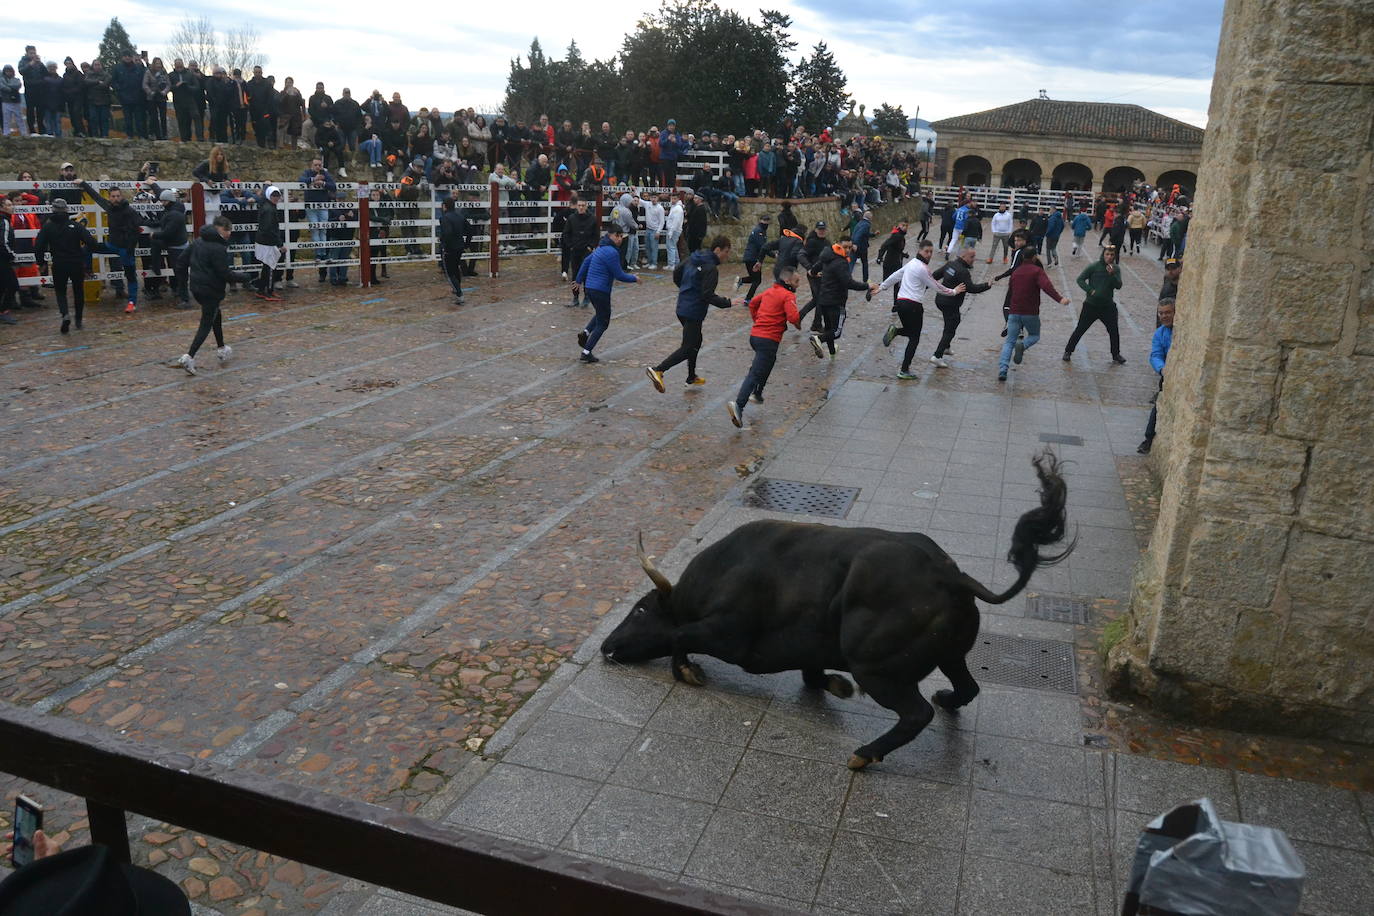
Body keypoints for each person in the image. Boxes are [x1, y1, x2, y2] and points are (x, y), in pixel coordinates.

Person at [646, 235, 743, 392]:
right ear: (717, 250)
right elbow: (707, 295)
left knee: (696, 341)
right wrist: (729, 302)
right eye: (726, 251)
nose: (728, 255)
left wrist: (686, 289)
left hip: (683, 306)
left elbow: (677, 272)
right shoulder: (711, 268)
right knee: (688, 347)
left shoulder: (695, 257)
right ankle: (659, 370)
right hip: (693, 311)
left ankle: (691, 377)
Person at [173, 215, 253, 375]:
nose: (229, 233)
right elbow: (225, 273)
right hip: (210, 289)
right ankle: (189, 356)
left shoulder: (197, 242)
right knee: (206, 323)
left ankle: (222, 348)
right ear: (218, 229)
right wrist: (245, 277)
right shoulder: (218, 248)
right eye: (226, 230)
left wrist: (182, 286)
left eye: (230, 230)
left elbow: (181, 262)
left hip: (197, 288)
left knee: (216, 315)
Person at [876, 238, 963, 379]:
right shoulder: (923, 268)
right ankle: (904, 370)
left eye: (931, 252)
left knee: (911, 332)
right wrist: (953, 291)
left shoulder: (911, 263)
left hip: (900, 303)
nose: (929, 254)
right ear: (919, 251)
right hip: (913, 305)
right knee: (914, 338)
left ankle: (896, 331)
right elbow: (936, 286)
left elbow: (896, 275)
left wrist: (882, 287)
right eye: (926, 251)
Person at [728, 265, 802, 428]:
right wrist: (798, 323)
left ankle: (758, 393)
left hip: (755, 336)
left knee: (768, 362)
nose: (798, 285)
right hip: (769, 339)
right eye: (796, 281)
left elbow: (753, 303)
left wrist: (758, 321)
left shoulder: (770, 291)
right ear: (787, 281)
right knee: (755, 373)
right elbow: (793, 316)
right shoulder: (788, 295)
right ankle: (739, 406)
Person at [1000, 251, 1070, 381]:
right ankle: (1023, 345)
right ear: (1034, 257)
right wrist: (1060, 299)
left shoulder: (1016, 272)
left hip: (1014, 311)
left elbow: (1011, 290)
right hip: (1030, 312)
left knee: (1009, 341)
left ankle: (1003, 370)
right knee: (1034, 335)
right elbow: (1046, 286)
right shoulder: (1037, 271)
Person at [573, 226, 638, 363]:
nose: (620, 239)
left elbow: (586, 262)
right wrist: (634, 278)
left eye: (621, 236)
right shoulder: (611, 252)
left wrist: (578, 280)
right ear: (610, 236)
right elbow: (619, 275)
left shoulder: (600, 248)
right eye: (617, 236)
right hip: (600, 290)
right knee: (603, 323)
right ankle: (586, 352)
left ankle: (585, 333)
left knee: (600, 313)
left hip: (590, 287)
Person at [33, 198, 97, 334]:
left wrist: (41, 263)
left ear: (53, 210)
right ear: (67, 210)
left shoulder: (48, 227)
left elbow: (38, 246)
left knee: (60, 291)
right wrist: (85, 256)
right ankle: (78, 319)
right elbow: (91, 242)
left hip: (59, 263)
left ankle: (65, 314)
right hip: (76, 262)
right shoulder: (76, 226)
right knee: (78, 290)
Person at [809, 239, 876, 359]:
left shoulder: (827, 255)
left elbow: (814, 269)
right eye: (845, 247)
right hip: (836, 302)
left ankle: (832, 351)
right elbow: (848, 283)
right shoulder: (841, 262)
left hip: (823, 300)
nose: (848, 250)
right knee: (836, 332)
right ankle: (818, 338)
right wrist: (867, 285)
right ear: (838, 245)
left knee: (829, 328)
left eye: (850, 248)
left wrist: (813, 273)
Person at [929, 243, 992, 367]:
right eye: (972, 257)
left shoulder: (950, 265)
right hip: (950, 303)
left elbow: (934, 275)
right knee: (950, 329)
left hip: (940, 300)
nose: (974, 259)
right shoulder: (963, 272)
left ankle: (946, 347)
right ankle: (937, 355)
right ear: (963, 256)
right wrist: (987, 285)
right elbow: (972, 288)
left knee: (952, 322)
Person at [1064, 243, 1126, 364]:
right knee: (1080, 329)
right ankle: (1068, 351)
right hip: (1091, 305)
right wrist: (1090, 290)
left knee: (1114, 331)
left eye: (1112, 255)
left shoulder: (1116, 269)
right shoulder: (1094, 266)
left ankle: (1116, 354)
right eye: (1107, 254)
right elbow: (1080, 279)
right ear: (1103, 255)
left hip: (1107, 306)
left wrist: (1112, 275)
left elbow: (1118, 286)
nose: (1109, 257)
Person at [1138, 299, 1174, 454]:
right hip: (1167, 373)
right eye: (1161, 313)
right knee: (1158, 405)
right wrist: (1162, 369)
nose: (1164, 316)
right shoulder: (1160, 333)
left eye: (1168, 312)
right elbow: (1155, 355)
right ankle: (1148, 439)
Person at [147, 188, 190, 307]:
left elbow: (168, 232)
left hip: (177, 247)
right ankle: (156, 266)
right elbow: (162, 223)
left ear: (169, 201)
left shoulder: (173, 215)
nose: (162, 203)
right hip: (175, 244)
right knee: (180, 273)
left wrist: (154, 234)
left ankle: (185, 299)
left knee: (180, 274)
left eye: (164, 201)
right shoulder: (174, 211)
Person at [560, 198, 597, 305]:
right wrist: (570, 245)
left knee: (587, 274)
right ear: (576, 206)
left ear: (586, 206)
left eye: (583, 205)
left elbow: (596, 235)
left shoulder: (592, 219)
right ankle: (575, 297)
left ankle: (586, 296)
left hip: (587, 250)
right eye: (579, 205)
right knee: (575, 274)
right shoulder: (571, 218)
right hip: (575, 249)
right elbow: (566, 233)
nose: (581, 207)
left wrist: (591, 246)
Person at [253, 186, 286, 299]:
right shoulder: (269, 209)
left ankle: (264, 289)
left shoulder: (268, 206)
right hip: (267, 242)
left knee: (268, 267)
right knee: (270, 267)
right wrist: (280, 244)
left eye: (277, 196)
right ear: (269, 195)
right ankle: (267, 290)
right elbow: (269, 229)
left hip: (265, 241)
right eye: (273, 195)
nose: (276, 198)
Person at [438, 196, 471, 302]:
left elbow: (447, 233)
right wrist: (467, 244)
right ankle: (457, 289)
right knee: (456, 268)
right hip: (460, 246)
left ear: (444, 206)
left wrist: (443, 243)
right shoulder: (460, 216)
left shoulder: (445, 218)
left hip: (450, 248)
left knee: (450, 272)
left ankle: (459, 293)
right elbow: (470, 230)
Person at [737, 214, 772, 301]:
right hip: (752, 258)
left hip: (751, 257)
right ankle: (748, 299)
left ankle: (741, 280)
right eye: (764, 223)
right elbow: (762, 247)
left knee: (754, 278)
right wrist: (773, 254)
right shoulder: (759, 231)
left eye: (767, 223)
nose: (766, 225)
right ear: (760, 221)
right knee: (757, 280)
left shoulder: (761, 231)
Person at [875, 220, 909, 307]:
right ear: (899, 226)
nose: (905, 227)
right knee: (885, 284)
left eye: (906, 226)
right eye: (903, 225)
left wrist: (904, 255)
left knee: (898, 284)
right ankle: (871, 288)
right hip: (890, 263)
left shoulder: (900, 236)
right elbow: (884, 245)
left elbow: (897, 250)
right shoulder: (897, 236)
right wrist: (879, 257)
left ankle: (896, 305)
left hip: (897, 264)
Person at [170, 58, 203, 141]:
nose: (179, 67)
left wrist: (187, 86)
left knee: (196, 117)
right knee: (182, 121)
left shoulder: (189, 74)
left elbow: (197, 87)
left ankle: (200, 137)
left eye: (180, 65)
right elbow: (169, 87)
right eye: (177, 66)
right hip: (178, 101)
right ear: (175, 66)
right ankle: (184, 140)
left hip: (190, 100)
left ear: (183, 65)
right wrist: (176, 86)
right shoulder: (171, 75)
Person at [0, 195, 20, 325]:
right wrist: (12, 255)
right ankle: (4, 311)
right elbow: (3, 242)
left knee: (2, 286)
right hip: (3, 259)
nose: (11, 207)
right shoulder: (4, 221)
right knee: (13, 285)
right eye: (8, 205)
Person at [143, 57, 170, 140]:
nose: (158, 65)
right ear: (154, 64)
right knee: (153, 117)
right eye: (157, 63)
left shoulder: (164, 72)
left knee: (163, 116)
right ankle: (156, 134)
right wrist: (150, 92)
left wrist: (165, 91)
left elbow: (169, 84)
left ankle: (164, 134)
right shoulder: (149, 72)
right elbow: (145, 84)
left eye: (160, 63)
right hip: (152, 97)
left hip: (162, 96)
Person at [642, 192, 665, 270]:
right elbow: (640, 200)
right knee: (647, 247)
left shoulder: (660, 208)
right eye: (652, 197)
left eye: (655, 197)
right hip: (648, 229)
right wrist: (635, 191)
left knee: (654, 247)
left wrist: (658, 231)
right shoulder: (647, 204)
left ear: (658, 198)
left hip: (655, 230)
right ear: (650, 198)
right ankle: (649, 262)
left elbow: (662, 221)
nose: (653, 199)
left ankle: (654, 263)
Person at [850, 210, 873, 282]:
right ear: (870, 217)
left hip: (854, 245)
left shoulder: (860, 223)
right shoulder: (867, 224)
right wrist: (855, 244)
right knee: (865, 263)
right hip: (861, 247)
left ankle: (846, 278)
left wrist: (853, 243)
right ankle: (865, 280)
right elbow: (860, 233)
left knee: (851, 263)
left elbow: (861, 233)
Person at [665, 193, 685, 273]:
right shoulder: (675, 207)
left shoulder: (677, 209)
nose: (672, 200)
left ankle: (671, 264)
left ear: (677, 199)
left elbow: (676, 222)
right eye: (672, 198)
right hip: (674, 229)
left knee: (671, 247)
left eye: (674, 199)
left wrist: (671, 231)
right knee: (673, 246)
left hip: (674, 230)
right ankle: (676, 263)